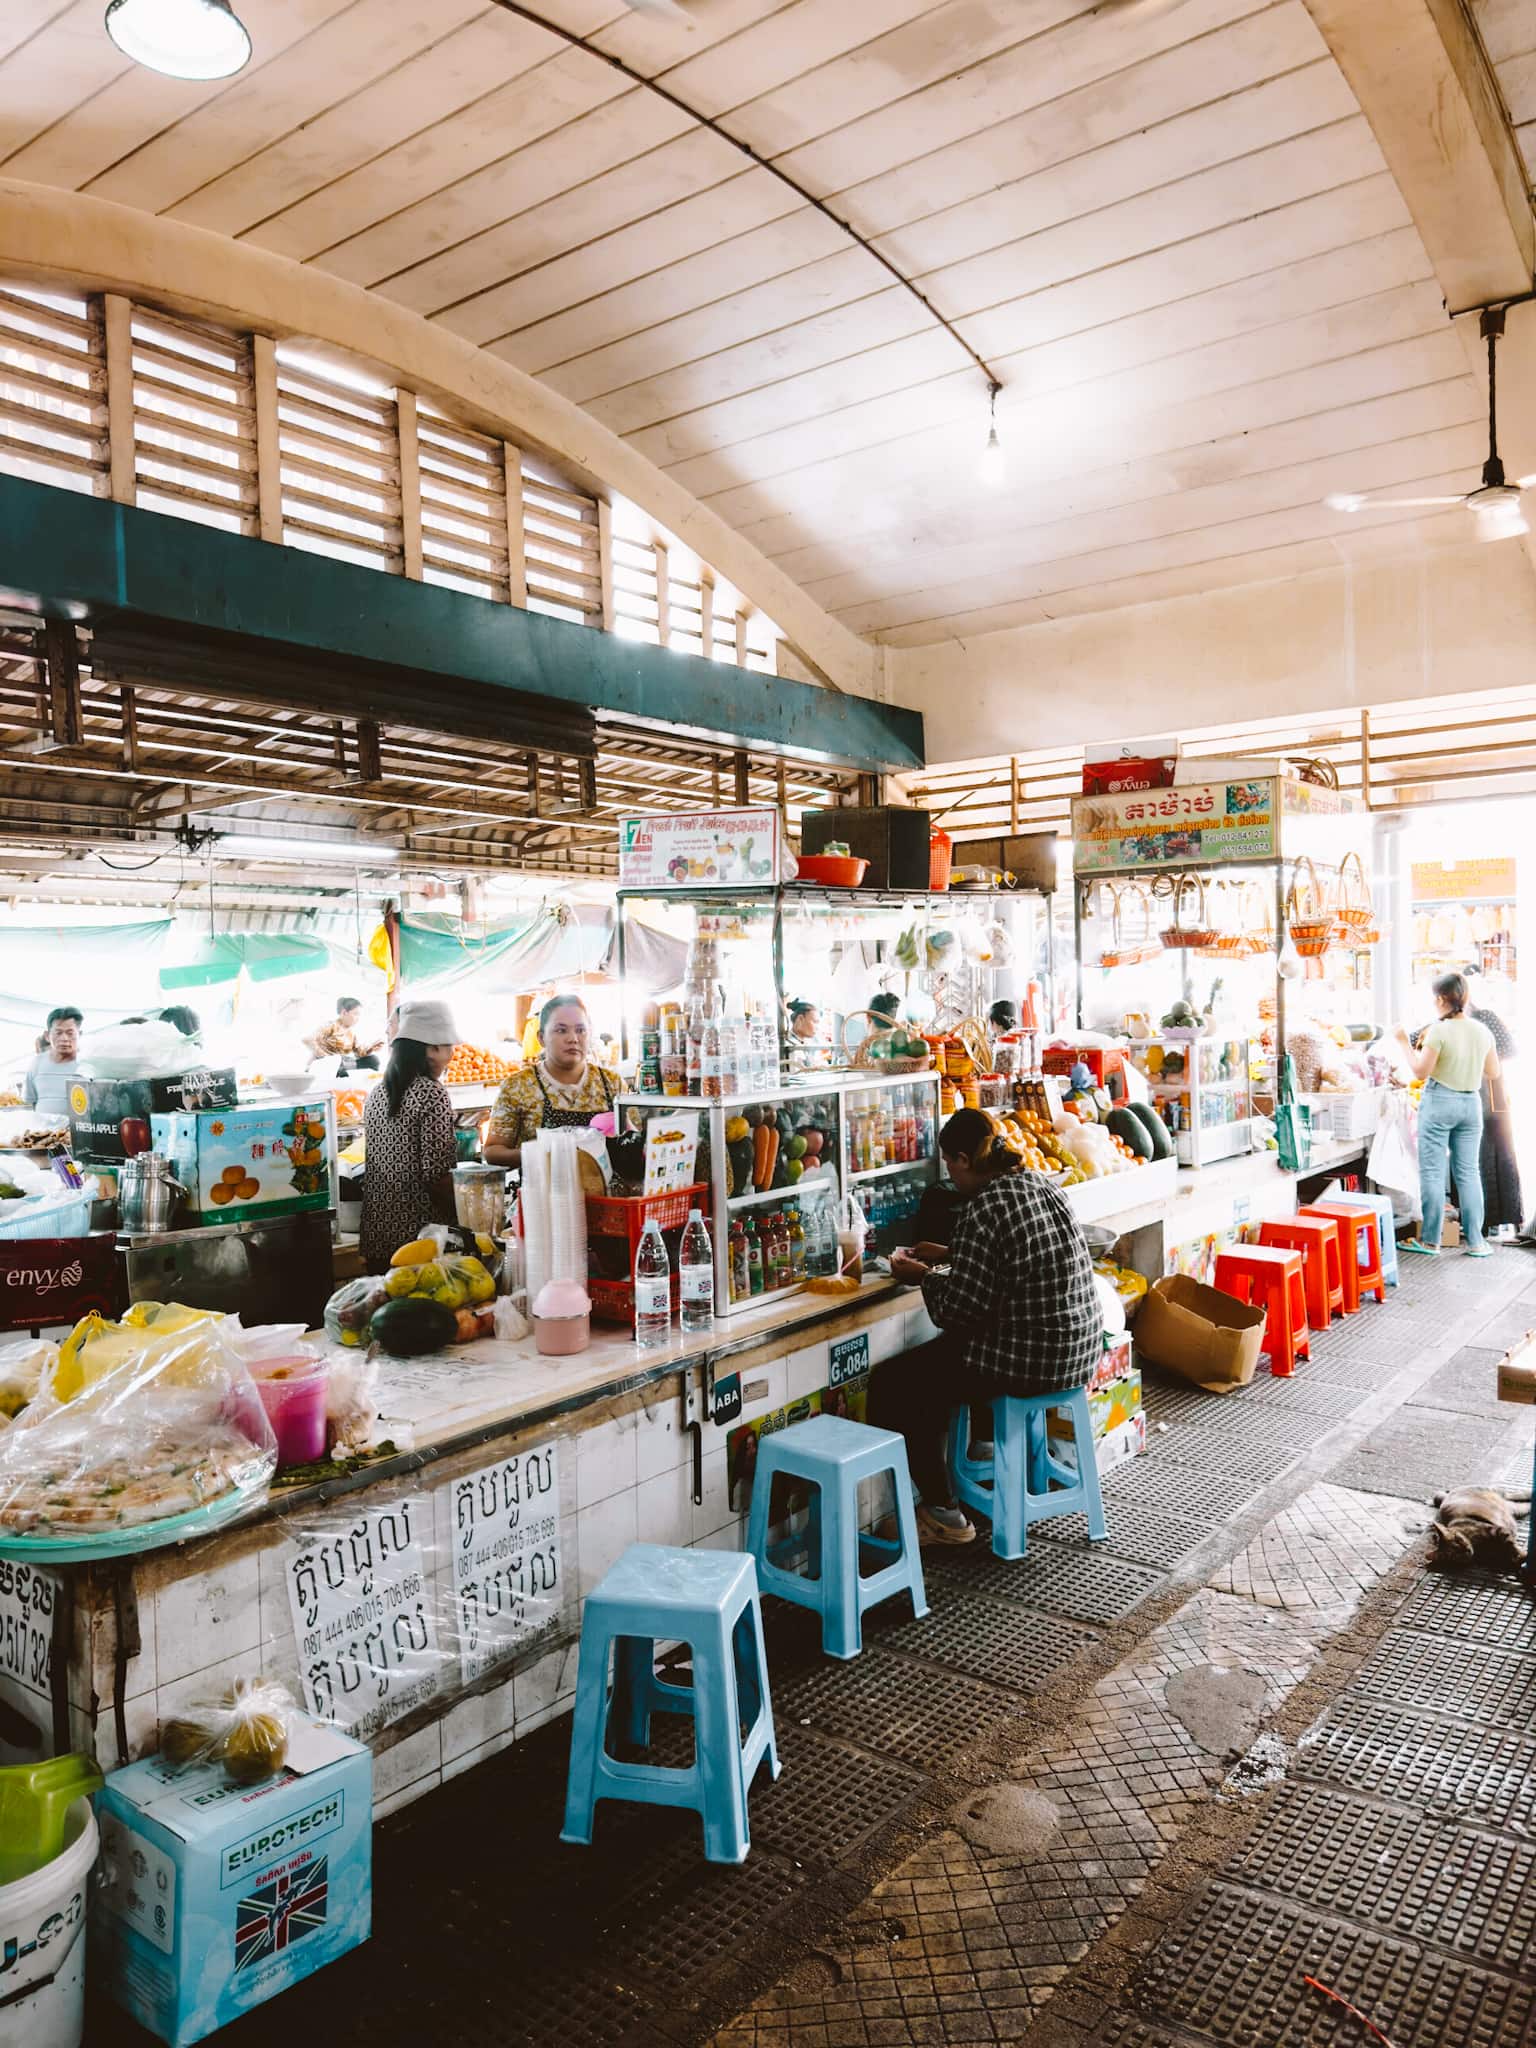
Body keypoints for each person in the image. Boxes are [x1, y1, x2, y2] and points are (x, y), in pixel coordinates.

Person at [872, 1107, 1103, 1545]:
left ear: (962, 1159)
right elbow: (1011, 1257)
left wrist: (921, 1275)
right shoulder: (1037, 1183)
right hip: (1080, 1350)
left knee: (898, 1384)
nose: (949, 1175)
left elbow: (958, 1311)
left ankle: (943, 1514)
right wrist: (950, 1252)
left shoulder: (982, 1207)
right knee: (942, 1368)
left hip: (1032, 1362)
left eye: (949, 1164)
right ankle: (978, 1454)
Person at [1395, 972, 1502, 1258]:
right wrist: (1466, 1064)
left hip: (1440, 1101)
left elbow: (1420, 1071)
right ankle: (1477, 1242)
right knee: (1468, 1172)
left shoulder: (1439, 1030)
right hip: (1470, 1105)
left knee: (1432, 1171)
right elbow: (1493, 1072)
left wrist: (1403, 1041)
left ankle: (1431, 1241)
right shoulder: (1481, 1031)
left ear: (1441, 999)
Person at [359, 998, 459, 1270]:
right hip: (419, 1242)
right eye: (449, 1047)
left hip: (378, 1238)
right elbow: (436, 1175)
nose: (451, 1055)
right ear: (433, 1048)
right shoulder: (432, 1093)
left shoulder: (377, 1094)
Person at [483, 995, 620, 1171]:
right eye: (561, 1030)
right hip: (541, 1194)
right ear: (541, 1038)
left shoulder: (612, 1084)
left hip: (605, 1196)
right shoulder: (518, 1087)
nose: (573, 1038)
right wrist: (540, 1154)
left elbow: (635, 1140)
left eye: (580, 1030)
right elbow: (493, 1152)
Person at [1460, 969, 1522, 1238]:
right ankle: (1494, 1220)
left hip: (1487, 1095)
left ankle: (1490, 1221)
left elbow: (1509, 1050)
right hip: (1487, 1094)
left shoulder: (1479, 1018)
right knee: (1490, 1156)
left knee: (1485, 1156)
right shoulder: (1471, 1020)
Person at [22, 1007, 84, 1117]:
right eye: (58, 1033)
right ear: (47, 1035)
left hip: (76, 1133)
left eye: (70, 1033)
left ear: (80, 1034)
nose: (64, 1038)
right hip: (42, 1133)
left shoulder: (87, 1066)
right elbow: (30, 1103)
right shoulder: (36, 1064)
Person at [308, 996, 382, 1071]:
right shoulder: (330, 1026)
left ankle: (341, 1068)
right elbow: (309, 1040)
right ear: (344, 1013)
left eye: (359, 1015)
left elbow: (359, 1053)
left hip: (341, 1063)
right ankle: (339, 1067)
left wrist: (371, 1048)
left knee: (374, 1060)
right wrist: (324, 1055)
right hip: (325, 1063)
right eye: (356, 1014)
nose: (358, 1018)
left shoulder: (351, 1034)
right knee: (335, 1061)